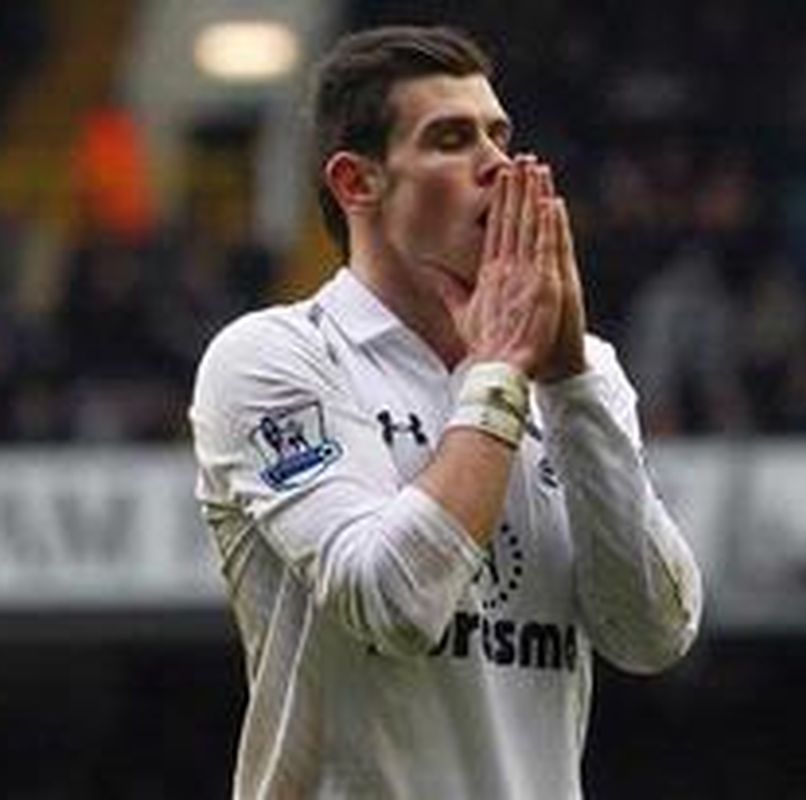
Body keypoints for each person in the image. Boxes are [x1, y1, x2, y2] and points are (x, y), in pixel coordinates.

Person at [188, 24, 702, 799]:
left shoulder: (579, 375)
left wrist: (567, 382)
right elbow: (391, 601)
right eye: (452, 139)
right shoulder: (276, 358)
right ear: (358, 182)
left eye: (500, 135)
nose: (497, 164)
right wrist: (496, 374)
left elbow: (651, 634)